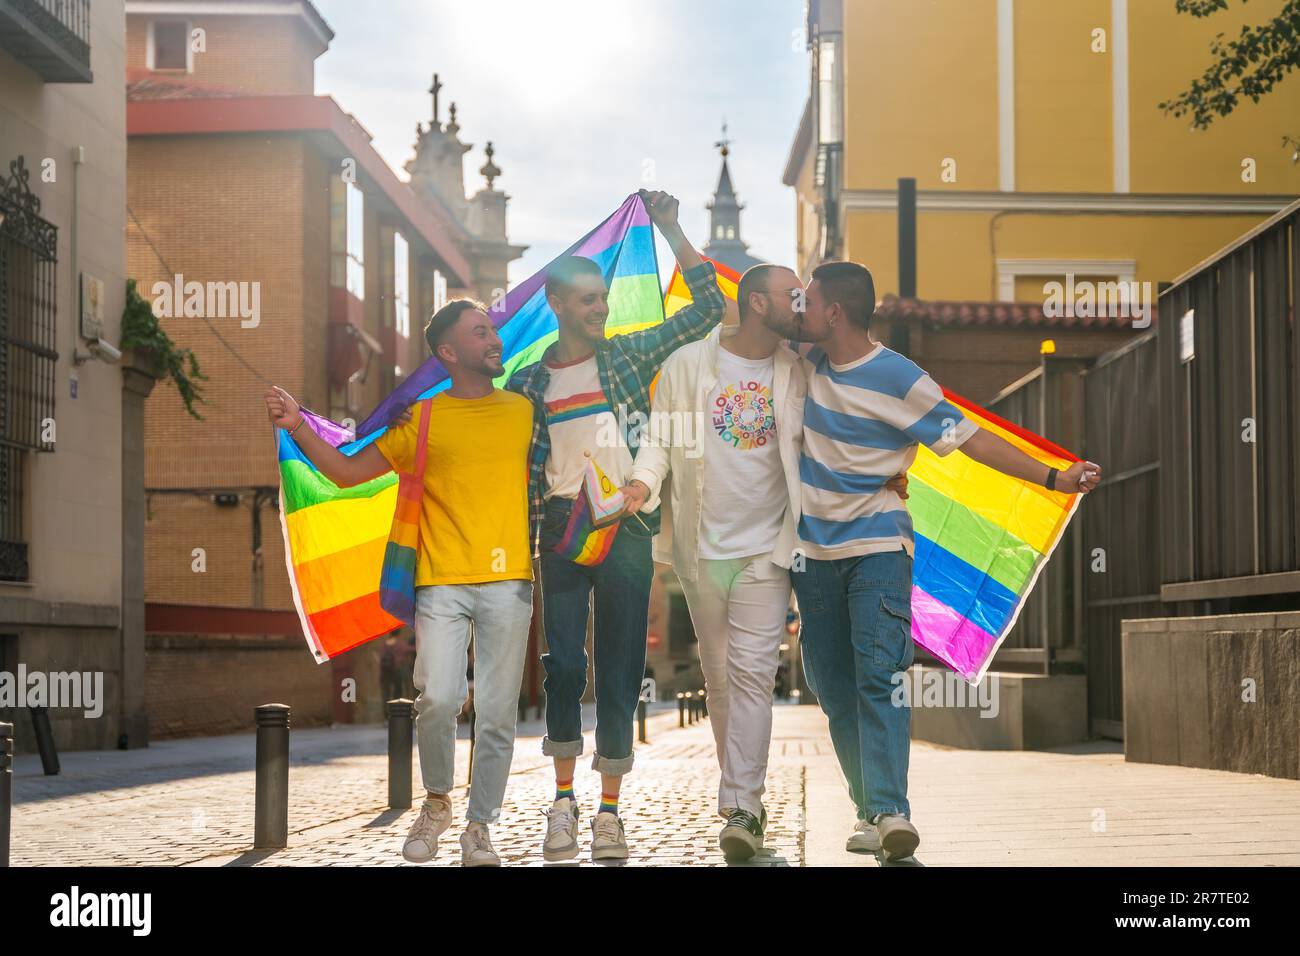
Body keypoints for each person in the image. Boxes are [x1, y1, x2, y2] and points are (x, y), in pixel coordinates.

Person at [788, 261, 1102, 862]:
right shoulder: (800, 366)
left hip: (878, 550)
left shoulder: (898, 378)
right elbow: (748, 306)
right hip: (812, 556)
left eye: (809, 298)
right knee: (833, 689)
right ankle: (869, 809)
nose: (798, 308)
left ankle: (889, 810)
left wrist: (1053, 476)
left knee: (878, 677)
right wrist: (674, 232)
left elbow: (972, 440)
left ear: (833, 312)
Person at [629, 263, 906, 861]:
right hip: (699, 552)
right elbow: (657, 440)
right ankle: (743, 801)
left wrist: (883, 471)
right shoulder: (686, 366)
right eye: (791, 295)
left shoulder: (797, 372)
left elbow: (838, 430)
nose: (801, 303)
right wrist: (639, 486)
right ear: (758, 303)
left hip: (770, 549)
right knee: (721, 682)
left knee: (753, 676)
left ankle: (743, 810)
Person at [263, 299, 534, 867]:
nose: (494, 339)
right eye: (480, 332)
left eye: (493, 329)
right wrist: (296, 425)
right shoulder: (422, 419)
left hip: (510, 580)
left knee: (498, 712)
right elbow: (344, 472)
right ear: (448, 352)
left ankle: (480, 826)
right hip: (440, 582)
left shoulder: (524, 410)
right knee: (437, 697)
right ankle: (437, 803)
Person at [506, 189, 725, 862]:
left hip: (628, 531)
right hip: (561, 534)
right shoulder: (528, 384)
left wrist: (672, 228)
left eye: (603, 301)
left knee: (622, 669)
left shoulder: (628, 356)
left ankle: (608, 812)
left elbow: (709, 309)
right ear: (558, 305)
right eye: (588, 303)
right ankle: (563, 803)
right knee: (564, 666)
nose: (600, 310)